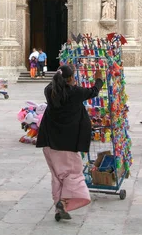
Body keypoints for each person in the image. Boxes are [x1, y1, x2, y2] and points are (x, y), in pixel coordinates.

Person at [36, 65, 104, 221]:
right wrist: (99, 78)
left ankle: (60, 208)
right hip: (65, 143)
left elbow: (54, 85)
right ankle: (64, 203)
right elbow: (94, 91)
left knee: (57, 176)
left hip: (49, 141)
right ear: (72, 78)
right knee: (72, 173)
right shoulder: (74, 93)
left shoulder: (49, 91)